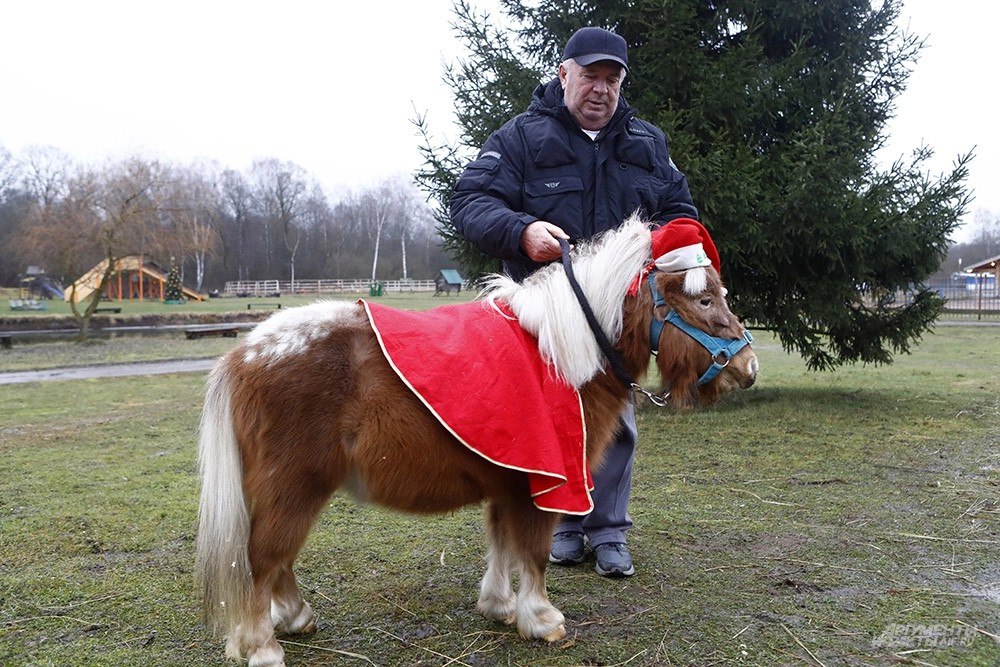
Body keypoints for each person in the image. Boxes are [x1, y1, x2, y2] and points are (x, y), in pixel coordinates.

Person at [450, 26, 699, 577]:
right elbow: (469, 200)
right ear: (564, 74)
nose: (600, 89)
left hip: (619, 319)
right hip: (543, 315)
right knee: (545, 420)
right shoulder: (520, 138)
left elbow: (681, 214)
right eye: (590, 76)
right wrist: (521, 231)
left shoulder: (647, 143)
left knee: (614, 424)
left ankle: (608, 531)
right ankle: (560, 524)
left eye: (612, 79)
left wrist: (661, 250)